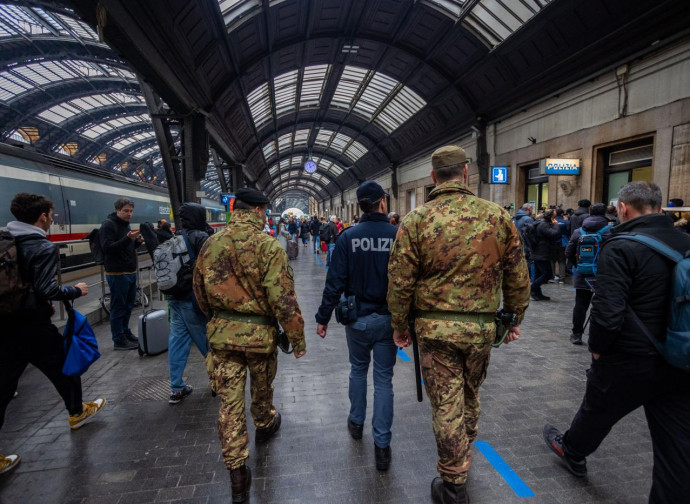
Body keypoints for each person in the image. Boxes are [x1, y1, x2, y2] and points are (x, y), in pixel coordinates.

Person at [387, 146, 530, 504]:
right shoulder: (497, 216)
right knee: (469, 392)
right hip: (481, 330)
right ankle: (463, 449)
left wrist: (400, 325)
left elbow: (400, 281)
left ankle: (453, 482)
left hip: (435, 332)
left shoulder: (416, 220)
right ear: (466, 173)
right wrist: (514, 319)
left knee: (446, 403)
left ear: (434, 177)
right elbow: (518, 275)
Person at [543, 181, 690, 503]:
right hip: (680, 356)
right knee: (676, 446)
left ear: (622, 208)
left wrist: (597, 351)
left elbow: (608, 310)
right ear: (661, 208)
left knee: (598, 409)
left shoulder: (620, 246)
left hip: (630, 356)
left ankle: (573, 450)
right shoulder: (685, 242)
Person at [193, 188, 306, 503]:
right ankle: (265, 421)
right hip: (260, 339)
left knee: (229, 405)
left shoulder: (210, 244)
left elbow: (199, 293)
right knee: (261, 389)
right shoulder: (269, 247)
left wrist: (219, 320)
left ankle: (238, 475)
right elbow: (283, 299)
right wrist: (296, 339)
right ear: (258, 211)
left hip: (222, 340)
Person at [1, 193, 107, 475]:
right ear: (43, 216)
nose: (52, 218)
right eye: (51, 214)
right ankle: (77, 412)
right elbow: (47, 290)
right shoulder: (41, 246)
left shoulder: (4, 239)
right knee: (65, 366)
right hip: (33, 324)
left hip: (4, 323)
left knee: (2, 386)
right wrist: (77, 290)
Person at [315, 181, 398, 471]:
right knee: (384, 380)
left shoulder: (348, 237)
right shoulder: (398, 235)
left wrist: (322, 318)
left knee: (358, 370)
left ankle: (356, 421)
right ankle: (383, 445)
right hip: (389, 320)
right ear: (382, 203)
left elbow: (334, 282)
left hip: (357, 320)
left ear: (360, 206)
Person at [167, 203, 210, 404]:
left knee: (177, 342)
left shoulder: (175, 236)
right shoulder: (199, 237)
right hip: (192, 300)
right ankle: (220, 380)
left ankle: (176, 387)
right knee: (207, 342)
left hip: (174, 299)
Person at [564, 203, 612, 345]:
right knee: (604, 305)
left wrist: (578, 266)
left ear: (590, 213)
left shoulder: (579, 231)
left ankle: (576, 334)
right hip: (604, 274)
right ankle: (600, 336)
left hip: (583, 273)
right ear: (605, 214)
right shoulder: (611, 231)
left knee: (580, 304)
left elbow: (568, 252)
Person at [100, 197, 142, 350]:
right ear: (117, 210)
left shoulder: (126, 225)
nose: (129, 214)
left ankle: (126, 332)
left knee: (129, 305)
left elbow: (126, 248)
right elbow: (108, 248)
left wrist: (136, 242)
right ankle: (118, 339)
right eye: (125, 211)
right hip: (117, 273)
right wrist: (127, 239)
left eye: (131, 211)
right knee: (118, 307)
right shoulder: (108, 225)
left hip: (129, 271)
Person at [530, 209, 561, 301]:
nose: (556, 219)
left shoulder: (542, 223)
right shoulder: (543, 225)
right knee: (547, 274)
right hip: (542, 253)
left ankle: (536, 293)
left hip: (540, 252)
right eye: (554, 217)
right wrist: (556, 225)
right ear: (551, 217)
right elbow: (554, 234)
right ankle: (533, 288)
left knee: (538, 274)